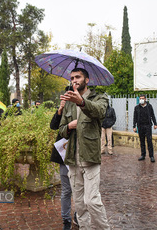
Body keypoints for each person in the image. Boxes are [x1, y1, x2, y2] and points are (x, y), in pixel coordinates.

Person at [59, 68, 110, 229]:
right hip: (73, 159)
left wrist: (80, 101)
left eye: (78, 77)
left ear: (86, 80)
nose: (74, 80)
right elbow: (61, 130)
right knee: (80, 204)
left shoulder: (99, 97)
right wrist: (68, 125)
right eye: (72, 78)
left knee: (92, 201)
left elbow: (100, 112)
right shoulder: (68, 102)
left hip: (90, 157)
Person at [50, 89, 78, 230]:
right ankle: (66, 220)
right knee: (66, 190)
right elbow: (53, 126)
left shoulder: (84, 107)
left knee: (79, 190)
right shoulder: (63, 108)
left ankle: (78, 216)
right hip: (64, 154)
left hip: (80, 154)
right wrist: (60, 109)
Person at [133, 95, 157, 162]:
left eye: (142, 98)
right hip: (140, 126)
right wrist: (134, 126)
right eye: (140, 99)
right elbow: (135, 117)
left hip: (148, 126)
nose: (141, 100)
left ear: (145, 99)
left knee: (149, 141)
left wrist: (155, 123)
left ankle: (151, 156)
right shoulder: (137, 107)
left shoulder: (149, 106)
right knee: (142, 141)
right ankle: (143, 155)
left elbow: (152, 115)